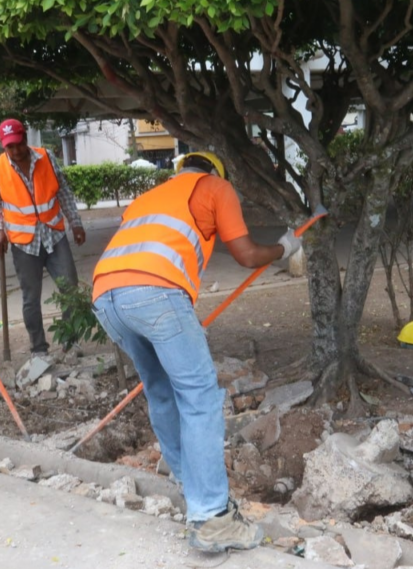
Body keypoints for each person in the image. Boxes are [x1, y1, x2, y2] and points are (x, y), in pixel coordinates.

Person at [91, 152, 302, 553]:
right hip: (155, 292)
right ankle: (212, 518)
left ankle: (191, 483)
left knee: (161, 390)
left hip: (106, 296)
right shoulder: (215, 188)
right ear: (214, 173)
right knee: (201, 396)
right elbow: (245, 254)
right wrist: (284, 246)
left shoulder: (150, 196)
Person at [0, 119, 86, 358]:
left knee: (69, 289)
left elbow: (63, 191)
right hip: (23, 242)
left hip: (54, 234)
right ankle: (39, 349)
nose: (16, 151)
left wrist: (76, 222)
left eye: (19, 144)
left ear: (25, 139)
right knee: (31, 298)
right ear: (3, 146)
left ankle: (71, 342)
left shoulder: (46, 157)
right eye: (10, 147)